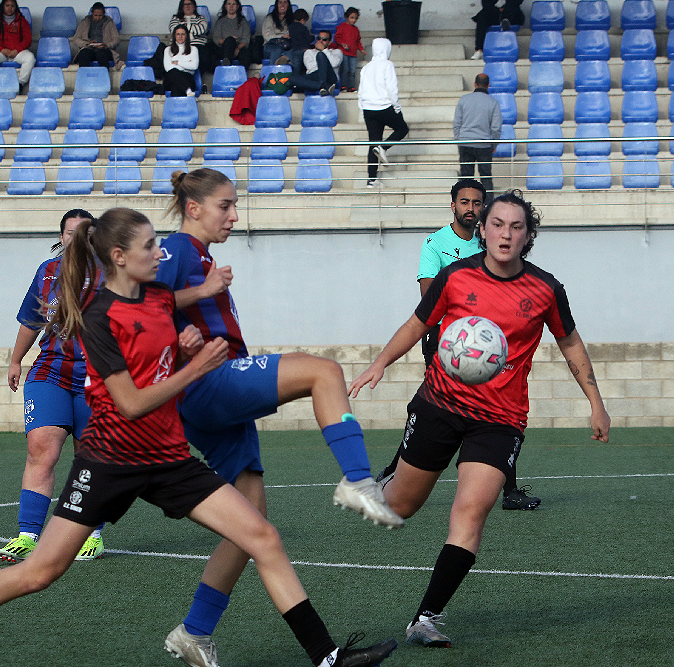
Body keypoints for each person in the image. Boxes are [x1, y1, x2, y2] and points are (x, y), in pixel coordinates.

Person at [0, 206, 399, 667]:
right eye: (150, 245)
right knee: (40, 571)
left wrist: (188, 328)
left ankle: (327, 658)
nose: (161, 251)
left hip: (169, 458)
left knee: (261, 535)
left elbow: (166, 322)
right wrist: (197, 366)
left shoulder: (157, 295)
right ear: (118, 257)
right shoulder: (96, 318)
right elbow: (130, 403)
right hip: (109, 460)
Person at [154, 168, 404, 667]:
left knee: (251, 527)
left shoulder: (199, 256)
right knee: (323, 372)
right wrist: (199, 297)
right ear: (194, 207)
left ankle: (195, 631)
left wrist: (195, 305)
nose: (234, 214)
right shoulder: (178, 249)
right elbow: (138, 306)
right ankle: (357, 480)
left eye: (234, 204)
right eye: (225, 205)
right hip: (206, 384)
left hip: (214, 398)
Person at [349, 190, 610, 649]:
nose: (506, 234)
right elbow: (416, 324)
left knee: (471, 512)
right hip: (440, 406)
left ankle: (425, 618)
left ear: (528, 236)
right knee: (400, 507)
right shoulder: (454, 276)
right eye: (498, 225)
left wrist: (596, 400)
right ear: (483, 230)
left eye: (516, 227)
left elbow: (570, 342)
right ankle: (377, 485)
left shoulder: (546, 288)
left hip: (499, 420)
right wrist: (380, 362)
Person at [378, 179, 541, 510]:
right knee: (431, 407)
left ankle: (508, 491)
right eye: (464, 202)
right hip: (448, 338)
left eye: (477, 203)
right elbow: (429, 296)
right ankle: (393, 472)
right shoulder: (435, 243)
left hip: (494, 343)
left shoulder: (491, 242)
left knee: (500, 410)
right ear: (453, 206)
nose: (471, 208)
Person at [0, 209, 108, 565]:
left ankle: (92, 533)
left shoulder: (114, 274)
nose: (76, 239)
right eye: (69, 233)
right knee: (41, 448)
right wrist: (16, 360)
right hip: (51, 372)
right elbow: (31, 321)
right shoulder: (46, 274)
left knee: (92, 456)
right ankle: (28, 535)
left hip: (98, 377)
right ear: (62, 238)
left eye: (84, 232)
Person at [357, 37, 407, 188]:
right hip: (384, 106)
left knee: (373, 141)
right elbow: (392, 88)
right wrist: (397, 107)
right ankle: (383, 148)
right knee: (402, 129)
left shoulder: (366, 67)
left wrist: (362, 107)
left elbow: (360, 90)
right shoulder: (387, 65)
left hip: (368, 109)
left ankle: (371, 180)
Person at [453, 73, 502, 202]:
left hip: (466, 143)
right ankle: (488, 207)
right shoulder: (493, 102)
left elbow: (457, 123)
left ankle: (464, 204)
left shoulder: (464, 100)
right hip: (484, 145)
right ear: (488, 85)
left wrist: (459, 140)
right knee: (486, 178)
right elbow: (496, 127)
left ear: (475, 84)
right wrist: (494, 144)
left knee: (466, 178)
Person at [0, 0, 35, 90]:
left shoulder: (22, 20)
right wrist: (1, 49)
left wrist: (17, 50)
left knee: (30, 58)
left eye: (12, 6)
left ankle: (20, 84)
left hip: (16, 52)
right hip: (0, 52)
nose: (10, 8)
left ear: (16, 7)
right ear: (3, 6)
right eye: (7, 5)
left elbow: (28, 40)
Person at [287, 29, 341, 96]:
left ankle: (321, 85)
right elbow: (310, 67)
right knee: (291, 79)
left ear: (329, 42)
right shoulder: (309, 52)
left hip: (329, 77)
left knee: (320, 55)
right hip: (314, 76)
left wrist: (324, 50)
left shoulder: (336, 52)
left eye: (324, 39)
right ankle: (323, 86)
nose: (321, 41)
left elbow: (334, 63)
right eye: (319, 38)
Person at [70, 2, 120, 68]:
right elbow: (76, 38)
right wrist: (86, 44)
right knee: (83, 54)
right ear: (92, 13)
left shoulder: (110, 23)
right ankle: (84, 75)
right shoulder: (84, 22)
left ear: (104, 14)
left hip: (104, 49)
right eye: (95, 15)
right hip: (89, 48)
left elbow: (116, 39)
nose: (98, 18)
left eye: (100, 16)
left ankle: (104, 76)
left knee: (102, 54)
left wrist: (106, 45)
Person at [166, 0, 209, 74]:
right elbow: (174, 29)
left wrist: (183, 28)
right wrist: (191, 30)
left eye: (190, 4)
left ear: (194, 6)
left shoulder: (201, 18)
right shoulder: (175, 18)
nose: (188, 6)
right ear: (181, 7)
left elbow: (201, 30)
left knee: (204, 53)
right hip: (177, 46)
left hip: (197, 45)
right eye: (185, 4)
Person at [210, 0, 251, 67]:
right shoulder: (220, 21)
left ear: (238, 6)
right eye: (229, 4)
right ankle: (227, 64)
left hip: (239, 47)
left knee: (246, 55)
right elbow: (216, 38)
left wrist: (237, 48)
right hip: (224, 48)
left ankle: (241, 74)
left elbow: (246, 39)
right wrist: (227, 41)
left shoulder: (243, 21)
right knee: (230, 40)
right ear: (225, 6)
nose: (231, 6)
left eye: (233, 4)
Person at [163, 24, 198, 97]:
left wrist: (177, 62)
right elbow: (167, 68)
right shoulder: (168, 50)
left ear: (186, 36)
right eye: (178, 34)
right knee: (173, 72)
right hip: (171, 78)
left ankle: (175, 108)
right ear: (174, 36)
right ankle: (188, 91)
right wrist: (186, 65)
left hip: (187, 78)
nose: (180, 36)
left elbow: (194, 66)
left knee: (176, 88)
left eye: (183, 34)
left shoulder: (194, 49)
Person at [334, 7, 364, 92]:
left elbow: (358, 41)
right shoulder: (342, 26)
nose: (354, 20)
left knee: (353, 71)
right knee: (345, 70)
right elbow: (337, 38)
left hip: (353, 54)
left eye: (356, 18)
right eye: (352, 17)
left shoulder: (356, 29)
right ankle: (343, 86)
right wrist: (342, 44)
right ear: (347, 17)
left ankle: (351, 87)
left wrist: (361, 49)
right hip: (344, 52)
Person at [261, 0, 292, 65]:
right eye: (280, 2)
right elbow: (267, 36)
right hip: (271, 45)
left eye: (285, 2)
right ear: (276, 5)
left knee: (296, 51)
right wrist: (282, 36)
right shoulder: (270, 18)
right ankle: (274, 72)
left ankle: (287, 71)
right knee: (278, 50)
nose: (282, 5)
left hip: (287, 45)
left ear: (288, 5)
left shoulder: (292, 19)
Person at [286, 8, 311, 74]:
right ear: (302, 20)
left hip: (295, 50)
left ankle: (294, 80)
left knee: (296, 67)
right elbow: (308, 39)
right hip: (304, 49)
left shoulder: (290, 27)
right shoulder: (304, 28)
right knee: (305, 66)